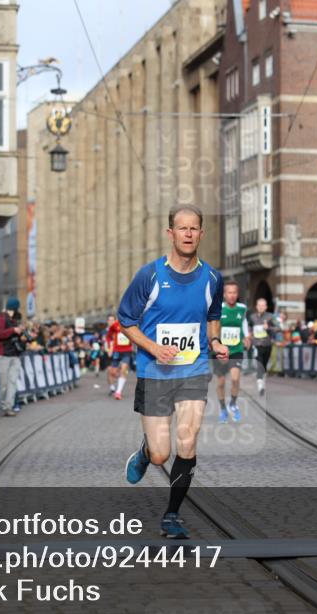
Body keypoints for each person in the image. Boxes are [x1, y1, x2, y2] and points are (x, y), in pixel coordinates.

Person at [119, 205, 227, 540]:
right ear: (171, 233)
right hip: (154, 372)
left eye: (194, 229)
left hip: (192, 370)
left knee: (187, 441)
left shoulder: (212, 278)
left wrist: (216, 340)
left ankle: (171, 516)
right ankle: (145, 453)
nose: (188, 234)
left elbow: (212, 315)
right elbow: (125, 322)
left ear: (201, 233)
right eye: (182, 229)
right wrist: (153, 348)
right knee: (161, 453)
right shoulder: (149, 276)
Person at [213, 281, 249, 423]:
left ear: (237, 294)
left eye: (234, 292)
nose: (232, 295)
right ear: (224, 294)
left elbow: (244, 322)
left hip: (236, 349)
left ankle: (232, 404)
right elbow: (213, 326)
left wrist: (247, 336)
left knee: (235, 379)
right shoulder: (219, 309)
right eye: (229, 292)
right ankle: (222, 409)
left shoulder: (242, 308)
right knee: (221, 383)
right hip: (221, 350)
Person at [0, 297, 25, 417]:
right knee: (4, 384)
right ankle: (3, 406)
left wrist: (20, 332)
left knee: (12, 382)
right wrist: (13, 330)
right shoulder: (1, 318)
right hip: (2, 355)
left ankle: (8, 406)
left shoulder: (14, 320)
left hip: (14, 354)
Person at [247, 297, 277, 396]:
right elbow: (249, 327)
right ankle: (260, 386)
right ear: (256, 306)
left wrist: (268, 328)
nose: (260, 307)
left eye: (263, 305)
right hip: (256, 344)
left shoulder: (270, 317)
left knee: (264, 365)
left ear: (266, 307)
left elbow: (279, 328)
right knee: (259, 363)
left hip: (267, 344)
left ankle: (261, 380)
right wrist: (249, 335)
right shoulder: (252, 317)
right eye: (259, 305)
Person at [105, 314, 133, 400]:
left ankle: (118, 392)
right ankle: (112, 387)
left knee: (124, 369)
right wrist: (109, 347)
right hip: (116, 351)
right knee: (112, 372)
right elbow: (108, 337)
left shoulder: (132, 324)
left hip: (127, 351)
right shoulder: (115, 325)